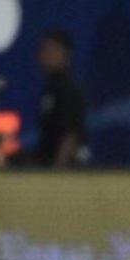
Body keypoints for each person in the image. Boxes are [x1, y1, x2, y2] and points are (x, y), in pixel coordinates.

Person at [36, 30, 86, 167]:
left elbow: (71, 134)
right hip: (45, 163)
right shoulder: (51, 88)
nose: (44, 56)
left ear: (64, 54)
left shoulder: (67, 90)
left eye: (50, 51)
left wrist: (59, 168)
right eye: (44, 50)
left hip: (60, 168)